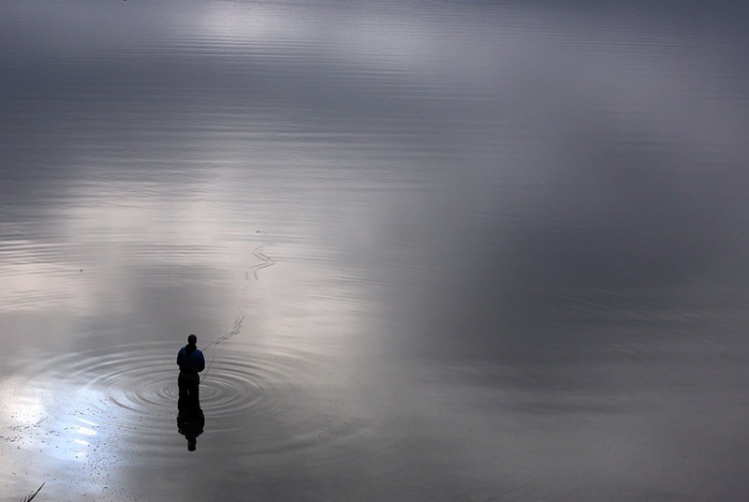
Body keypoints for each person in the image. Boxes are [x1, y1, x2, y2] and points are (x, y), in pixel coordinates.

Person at [177, 334, 205, 411]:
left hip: (182, 376)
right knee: (194, 398)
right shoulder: (199, 353)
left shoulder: (182, 351)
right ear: (195, 342)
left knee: (182, 397)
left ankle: (182, 413)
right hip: (193, 377)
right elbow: (202, 367)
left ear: (188, 341)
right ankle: (193, 413)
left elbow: (178, 362)